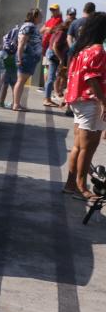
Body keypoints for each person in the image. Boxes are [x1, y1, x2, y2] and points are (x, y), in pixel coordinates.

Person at [63, 12, 106, 200]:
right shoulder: (97, 51)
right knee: (87, 148)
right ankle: (82, 188)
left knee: (78, 147)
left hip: (79, 101)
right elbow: (93, 79)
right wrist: (104, 102)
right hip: (91, 102)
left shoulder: (82, 49)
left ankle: (71, 185)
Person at [11, 8, 44, 111]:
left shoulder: (31, 26)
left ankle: (17, 103)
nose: (42, 18)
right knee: (20, 81)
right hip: (26, 58)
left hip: (29, 58)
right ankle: (16, 104)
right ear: (35, 16)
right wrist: (19, 57)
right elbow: (21, 42)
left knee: (21, 81)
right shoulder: (29, 26)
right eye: (40, 16)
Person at [45, 15, 71, 107]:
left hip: (53, 55)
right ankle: (47, 99)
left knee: (54, 77)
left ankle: (48, 97)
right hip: (53, 56)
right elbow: (55, 46)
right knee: (51, 78)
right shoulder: (62, 33)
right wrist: (61, 59)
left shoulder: (60, 31)